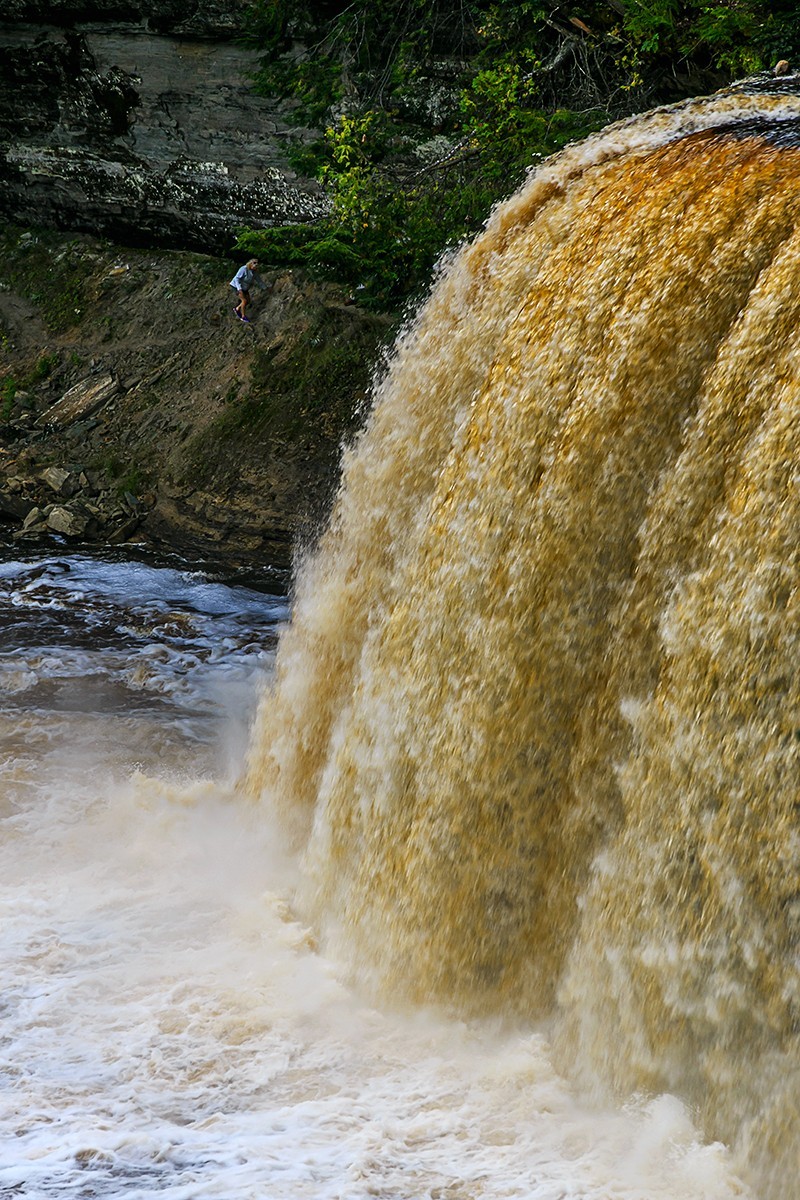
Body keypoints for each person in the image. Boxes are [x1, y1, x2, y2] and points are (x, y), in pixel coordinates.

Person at [229, 258, 269, 323]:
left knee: (248, 301)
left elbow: (259, 281)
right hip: (237, 286)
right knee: (244, 301)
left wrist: (266, 288)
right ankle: (243, 316)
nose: (256, 265)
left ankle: (237, 308)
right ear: (250, 264)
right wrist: (239, 289)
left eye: (257, 264)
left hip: (245, 288)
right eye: (254, 263)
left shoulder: (254, 272)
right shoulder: (244, 269)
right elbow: (237, 278)